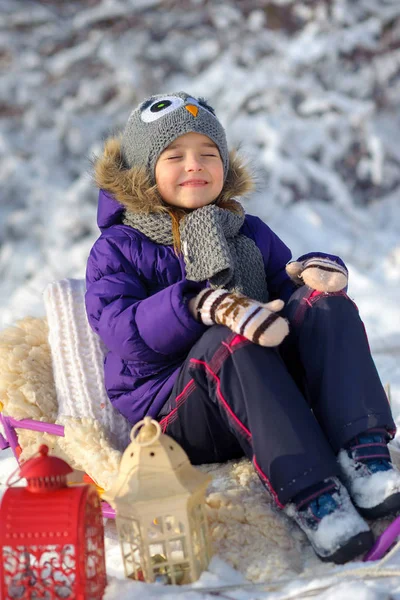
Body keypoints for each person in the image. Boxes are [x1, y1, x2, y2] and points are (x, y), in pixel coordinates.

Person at [85, 91, 400, 564]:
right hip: (175, 412)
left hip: (261, 395)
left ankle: (364, 453)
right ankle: (316, 496)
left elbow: (287, 305)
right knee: (230, 340)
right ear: (141, 173)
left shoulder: (247, 231)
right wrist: (196, 305)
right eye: (175, 156)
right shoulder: (117, 250)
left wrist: (307, 277)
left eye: (208, 154)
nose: (195, 165)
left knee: (324, 307)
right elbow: (123, 332)